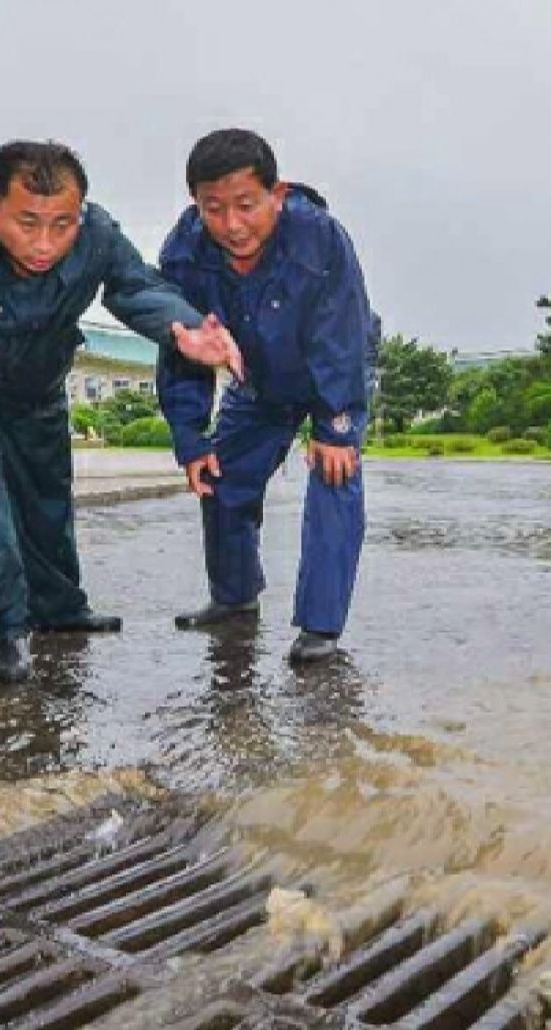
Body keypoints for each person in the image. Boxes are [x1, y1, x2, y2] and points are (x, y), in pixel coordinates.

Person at [0, 141, 241, 684]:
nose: (45, 244)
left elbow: (137, 287)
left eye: (62, 224)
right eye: (27, 223)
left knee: (50, 498)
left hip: (41, 383)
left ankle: (59, 611)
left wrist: (185, 327)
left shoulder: (98, 233)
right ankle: (5, 633)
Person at [156, 130, 378, 664]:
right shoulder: (184, 253)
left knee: (334, 475)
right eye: (214, 209)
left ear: (275, 193)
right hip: (256, 376)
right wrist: (190, 436)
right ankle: (234, 598)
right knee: (220, 475)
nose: (232, 226)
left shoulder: (320, 237)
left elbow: (341, 330)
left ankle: (320, 627)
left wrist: (336, 425)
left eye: (246, 205)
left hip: (330, 368)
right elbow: (183, 344)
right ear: (196, 205)